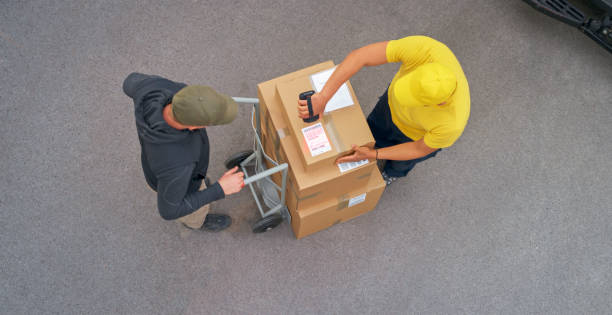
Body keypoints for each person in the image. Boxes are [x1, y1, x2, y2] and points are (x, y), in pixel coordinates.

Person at [298, 36, 470, 185]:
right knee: (371, 133)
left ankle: (390, 174)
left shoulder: (452, 123)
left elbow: (418, 149)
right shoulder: (425, 50)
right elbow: (360, 56)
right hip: (387, 109)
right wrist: (323, 97)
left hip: (413, 136)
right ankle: (370, 147)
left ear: (438, 104)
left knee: (400, 164)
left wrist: (375, 154)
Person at [123, 73, 244, 231]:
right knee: (195, 210)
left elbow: (129, 82)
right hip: (178, 183)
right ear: (193, 127)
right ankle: (198, 223)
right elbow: (169, 210)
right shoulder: (178, 165)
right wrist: (220, 189)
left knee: (195, 183)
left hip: (156, 164)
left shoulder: (152, 89)